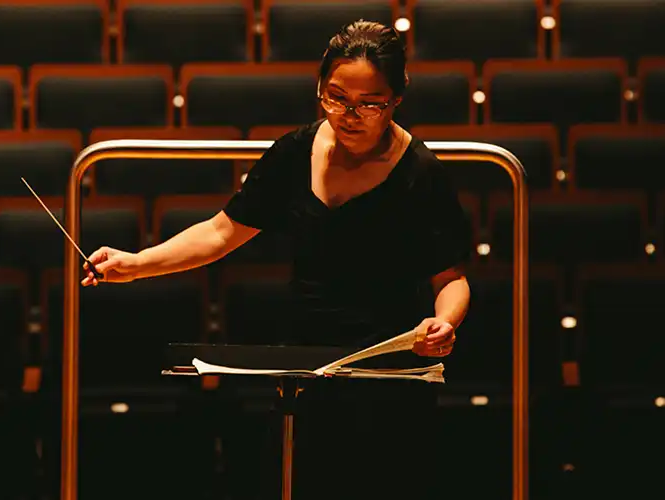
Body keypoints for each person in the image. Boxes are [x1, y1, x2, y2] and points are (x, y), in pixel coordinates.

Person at [83, 19, 472, 500]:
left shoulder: (421, 173)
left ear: (397, 97)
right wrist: (137, 263)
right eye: (335, 98)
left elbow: (450, 277)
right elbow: (222, 231)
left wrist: (444, 322)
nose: (349, 115)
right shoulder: (294, 152)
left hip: (389, 370)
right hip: (305, 366)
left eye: (369, 104)